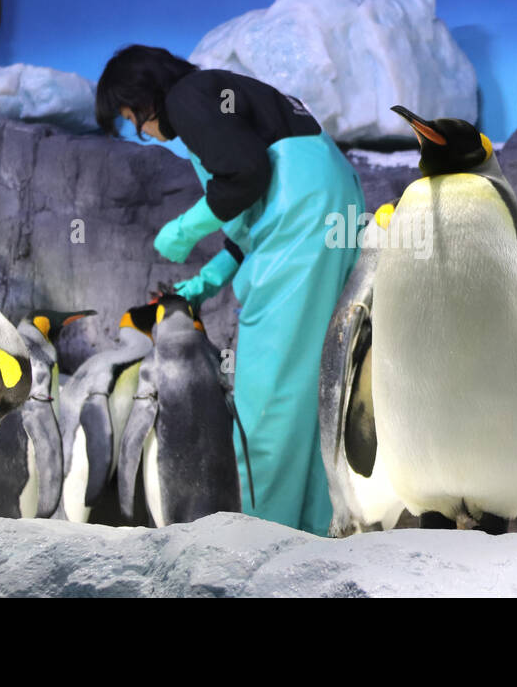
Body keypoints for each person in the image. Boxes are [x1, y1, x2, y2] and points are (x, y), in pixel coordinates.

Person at [96, 45, 364, 536]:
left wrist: (182, 228)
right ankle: (314, 536)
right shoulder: (224, 95)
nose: (142, 132)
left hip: (302, 224)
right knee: (310, 390)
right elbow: (252, 218)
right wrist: (199, 286)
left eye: (134, 118)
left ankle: (260, 544)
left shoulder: (188, 96)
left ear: (143, 96)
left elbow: (245, 174)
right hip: (329, 214)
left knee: (269, 393)